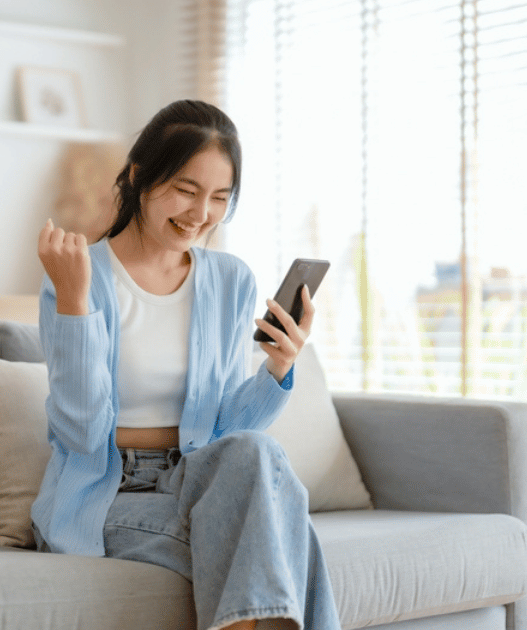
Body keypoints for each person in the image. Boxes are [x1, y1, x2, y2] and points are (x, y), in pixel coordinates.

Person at [33, 100, 341, 630]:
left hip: (197, 478)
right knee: (276, 529)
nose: (201, 214)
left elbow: (227, 432)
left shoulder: (229, 280)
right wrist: (75, 303)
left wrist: (276, 370)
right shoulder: (81, 277)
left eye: (220, 197)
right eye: (186, 190)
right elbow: (82, 434)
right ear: (138, 177)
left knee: (257, 453)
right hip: (106, 492)